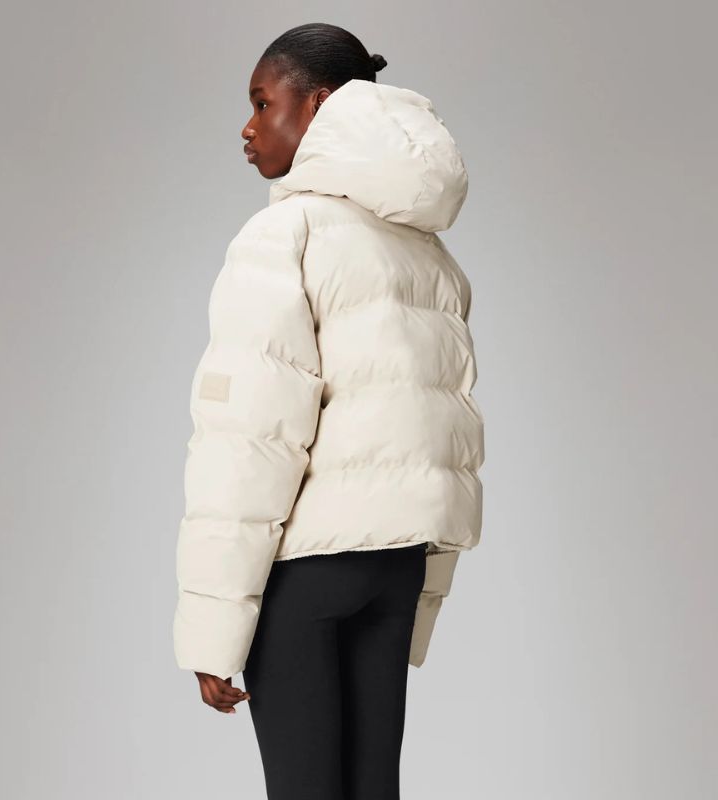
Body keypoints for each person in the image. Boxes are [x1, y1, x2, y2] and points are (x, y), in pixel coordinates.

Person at [173, 22, 484, 800]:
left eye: (262, 102)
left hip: (308, 574)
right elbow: (441, 429)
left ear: (317, 106)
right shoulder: (424, 250)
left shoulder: (286, 233)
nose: (248, 127)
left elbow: (250, 439)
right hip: (395, 565)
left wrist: (213, 629)